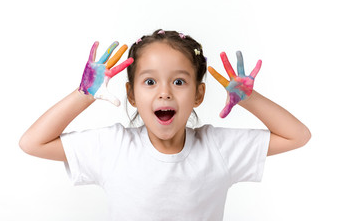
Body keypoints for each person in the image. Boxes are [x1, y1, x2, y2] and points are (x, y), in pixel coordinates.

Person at [19, 29, 311, 220]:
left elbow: (297, 136)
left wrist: (250, 99)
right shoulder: (113, 147)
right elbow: (33, 143)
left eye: (179, 81)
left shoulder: (218, 147)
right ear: (131, 94)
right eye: (149, 81)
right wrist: (84, 94)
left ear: (198, 94)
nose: (164, 92)